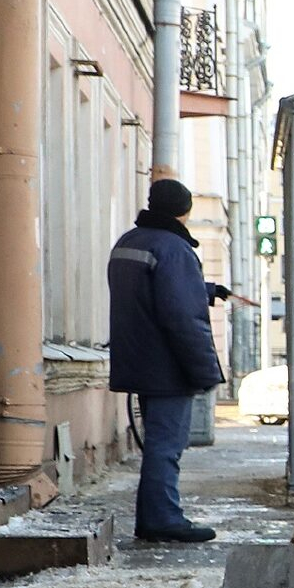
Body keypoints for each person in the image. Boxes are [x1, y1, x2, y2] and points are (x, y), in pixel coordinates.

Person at [107, 178, 227, 542]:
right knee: (166, 445)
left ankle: (154, 517)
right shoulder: (174, 248)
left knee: (157, 442)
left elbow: (149, 293)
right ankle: (162, 519)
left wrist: (204, 290)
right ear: (184, 211)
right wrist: (206, 370)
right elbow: (182, 316)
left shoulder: (130, 242)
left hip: (138, 358)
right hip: (168, 365)